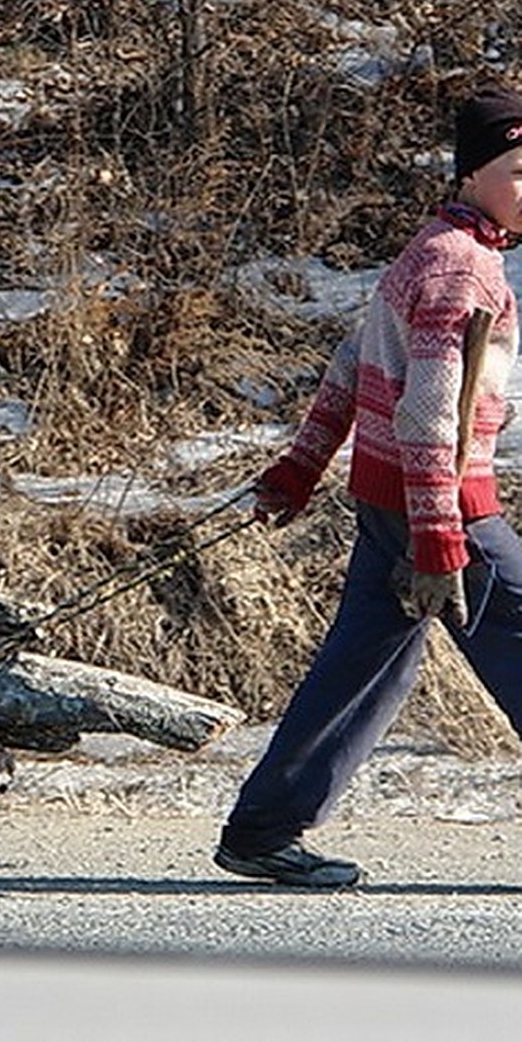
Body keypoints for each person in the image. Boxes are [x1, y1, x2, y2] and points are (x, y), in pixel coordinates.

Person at [214, 84, 522, 887]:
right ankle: (263, 828)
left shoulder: (432, 248)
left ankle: (261, 831)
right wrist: (441, 542)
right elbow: (427, 419)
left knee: (364, 666)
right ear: (469, 178)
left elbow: (354, 368)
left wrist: (299, 469)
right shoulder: (464, 270)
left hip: (392, 502)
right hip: (442, 509)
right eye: (519, 170)